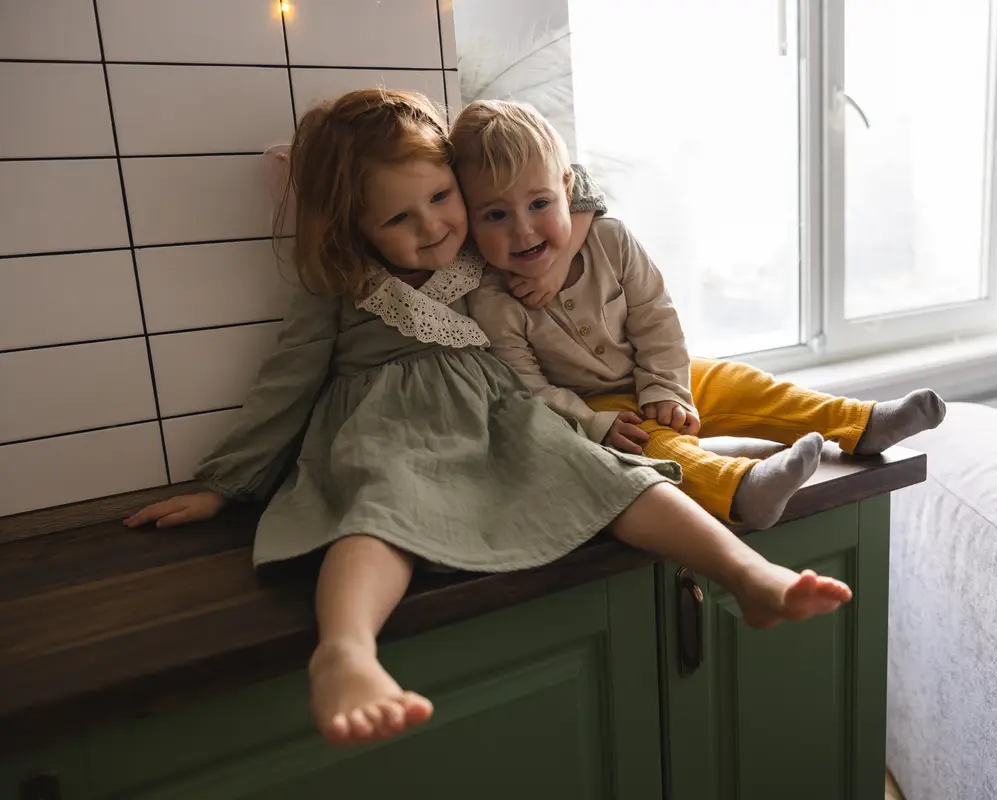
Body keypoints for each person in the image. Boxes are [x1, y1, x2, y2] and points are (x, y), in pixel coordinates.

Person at [124, 89, 853, 748]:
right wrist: (225, 484)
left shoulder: (488, 238)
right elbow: (285, 383)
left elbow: (559, 188)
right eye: (399, 217)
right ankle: (344, 650)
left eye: (442, 197)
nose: (433, 225)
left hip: (502, 413)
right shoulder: (340, 283)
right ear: (355, 224)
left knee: (614, 478)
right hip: (392, 427)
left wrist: (516, 191)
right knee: (378, 511)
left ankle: (748, 574)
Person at [457, 100, 946, 530]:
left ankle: (860, 424)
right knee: (659, 448)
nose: (522, 230)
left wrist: (667, 386)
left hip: (659, 370)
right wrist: (591, 423)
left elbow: (655, 318)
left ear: (567, 190)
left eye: (539, 204)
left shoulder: (610, 240)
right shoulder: (490, 300)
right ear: (469, 222)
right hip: (596, 406)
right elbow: (529, 389)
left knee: (741, 383)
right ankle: (742, 489)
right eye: (495, 215)